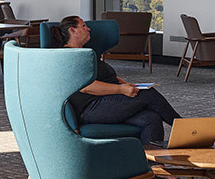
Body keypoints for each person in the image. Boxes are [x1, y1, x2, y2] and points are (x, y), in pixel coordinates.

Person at [57, 15, 181, 146]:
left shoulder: (87, 52)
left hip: (107, 100)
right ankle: (185, 128)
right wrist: (121, 89)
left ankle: (150, 159)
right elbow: (86, 86)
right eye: (83, 26)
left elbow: (106, 76)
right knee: (148, 94)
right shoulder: (69, 56)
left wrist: (126, 84)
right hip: (90, 108)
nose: (88, 29)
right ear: (73, 30)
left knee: (151, 119)